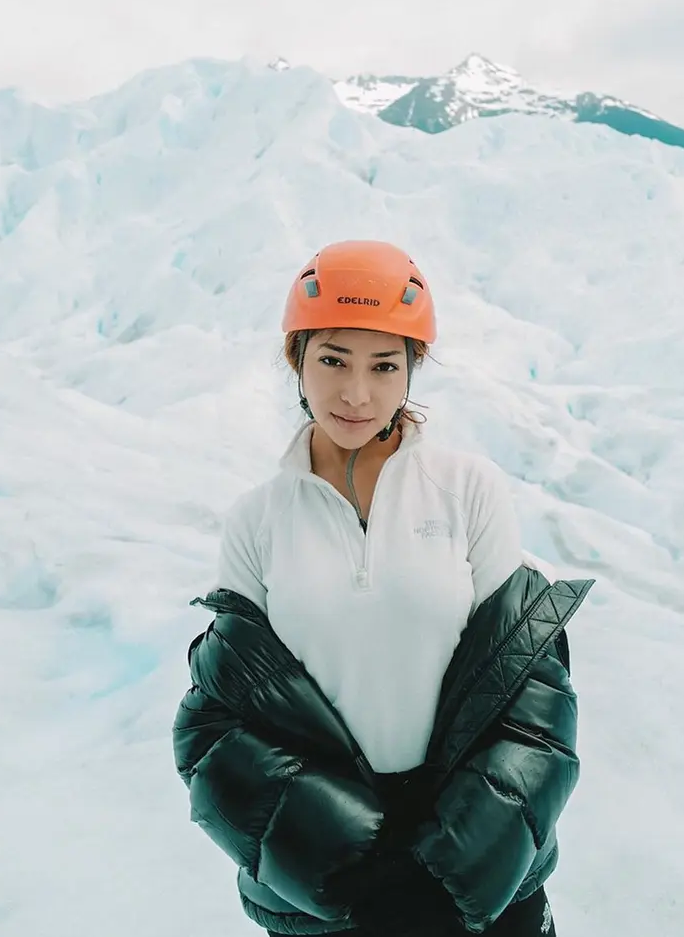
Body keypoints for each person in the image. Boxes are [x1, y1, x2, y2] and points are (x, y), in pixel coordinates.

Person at [172, 240, 594, 937]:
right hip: (328, 878)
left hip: (482, 862)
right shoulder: (258, 521)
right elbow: (222, 722)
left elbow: (528, 686)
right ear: (295, 361)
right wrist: (340, 857)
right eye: (333, 360)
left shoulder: (469, 491)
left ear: (412, 371)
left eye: (385, 365)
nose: (357, 393)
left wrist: (464, 856)